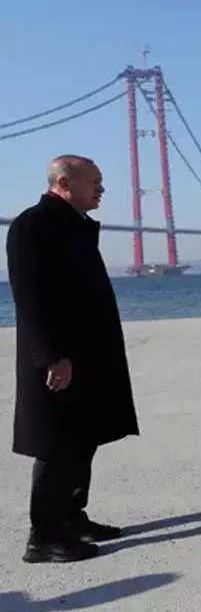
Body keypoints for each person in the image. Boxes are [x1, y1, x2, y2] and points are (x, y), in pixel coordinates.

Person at [7, 155, 138, 563]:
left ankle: (71, 517)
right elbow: (29, 298)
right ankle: (43, 537)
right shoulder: (33, 225)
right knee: (56, 442)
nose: (101, 189)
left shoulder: (73, 224)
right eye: (93, 182)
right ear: (65, 183)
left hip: (87, 355)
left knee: (83, 436)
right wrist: (51, 357)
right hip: (57, 359)